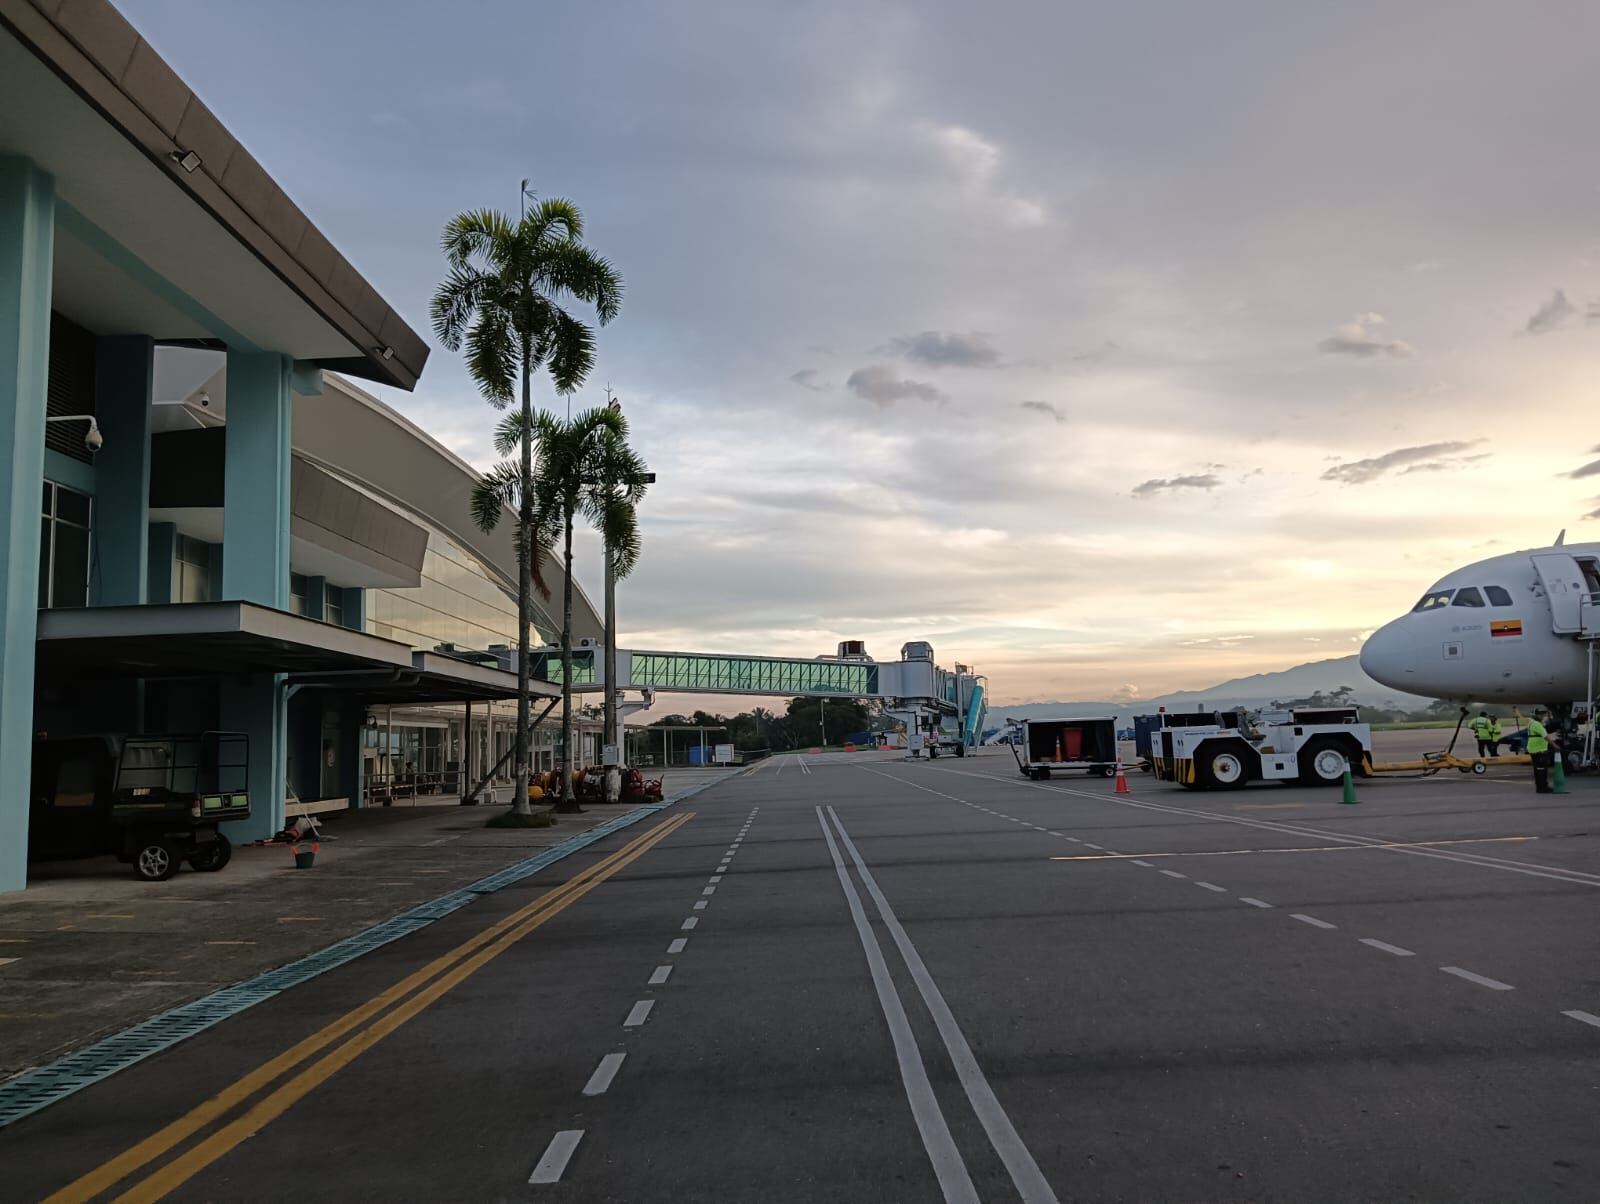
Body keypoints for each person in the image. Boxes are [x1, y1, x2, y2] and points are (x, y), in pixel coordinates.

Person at [1527, 708, 1552, 793]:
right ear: (1535, 715)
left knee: (1538, 770)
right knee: (1542, 770)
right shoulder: (1536, 724)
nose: (1542, 715)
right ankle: (1542, 788)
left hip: (1536, 749)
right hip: (1538, 750)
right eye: (1540, 714)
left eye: (1543, 714)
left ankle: (1540, 787)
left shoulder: (1535, 723)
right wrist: (1555, 745)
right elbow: (1545, 736)